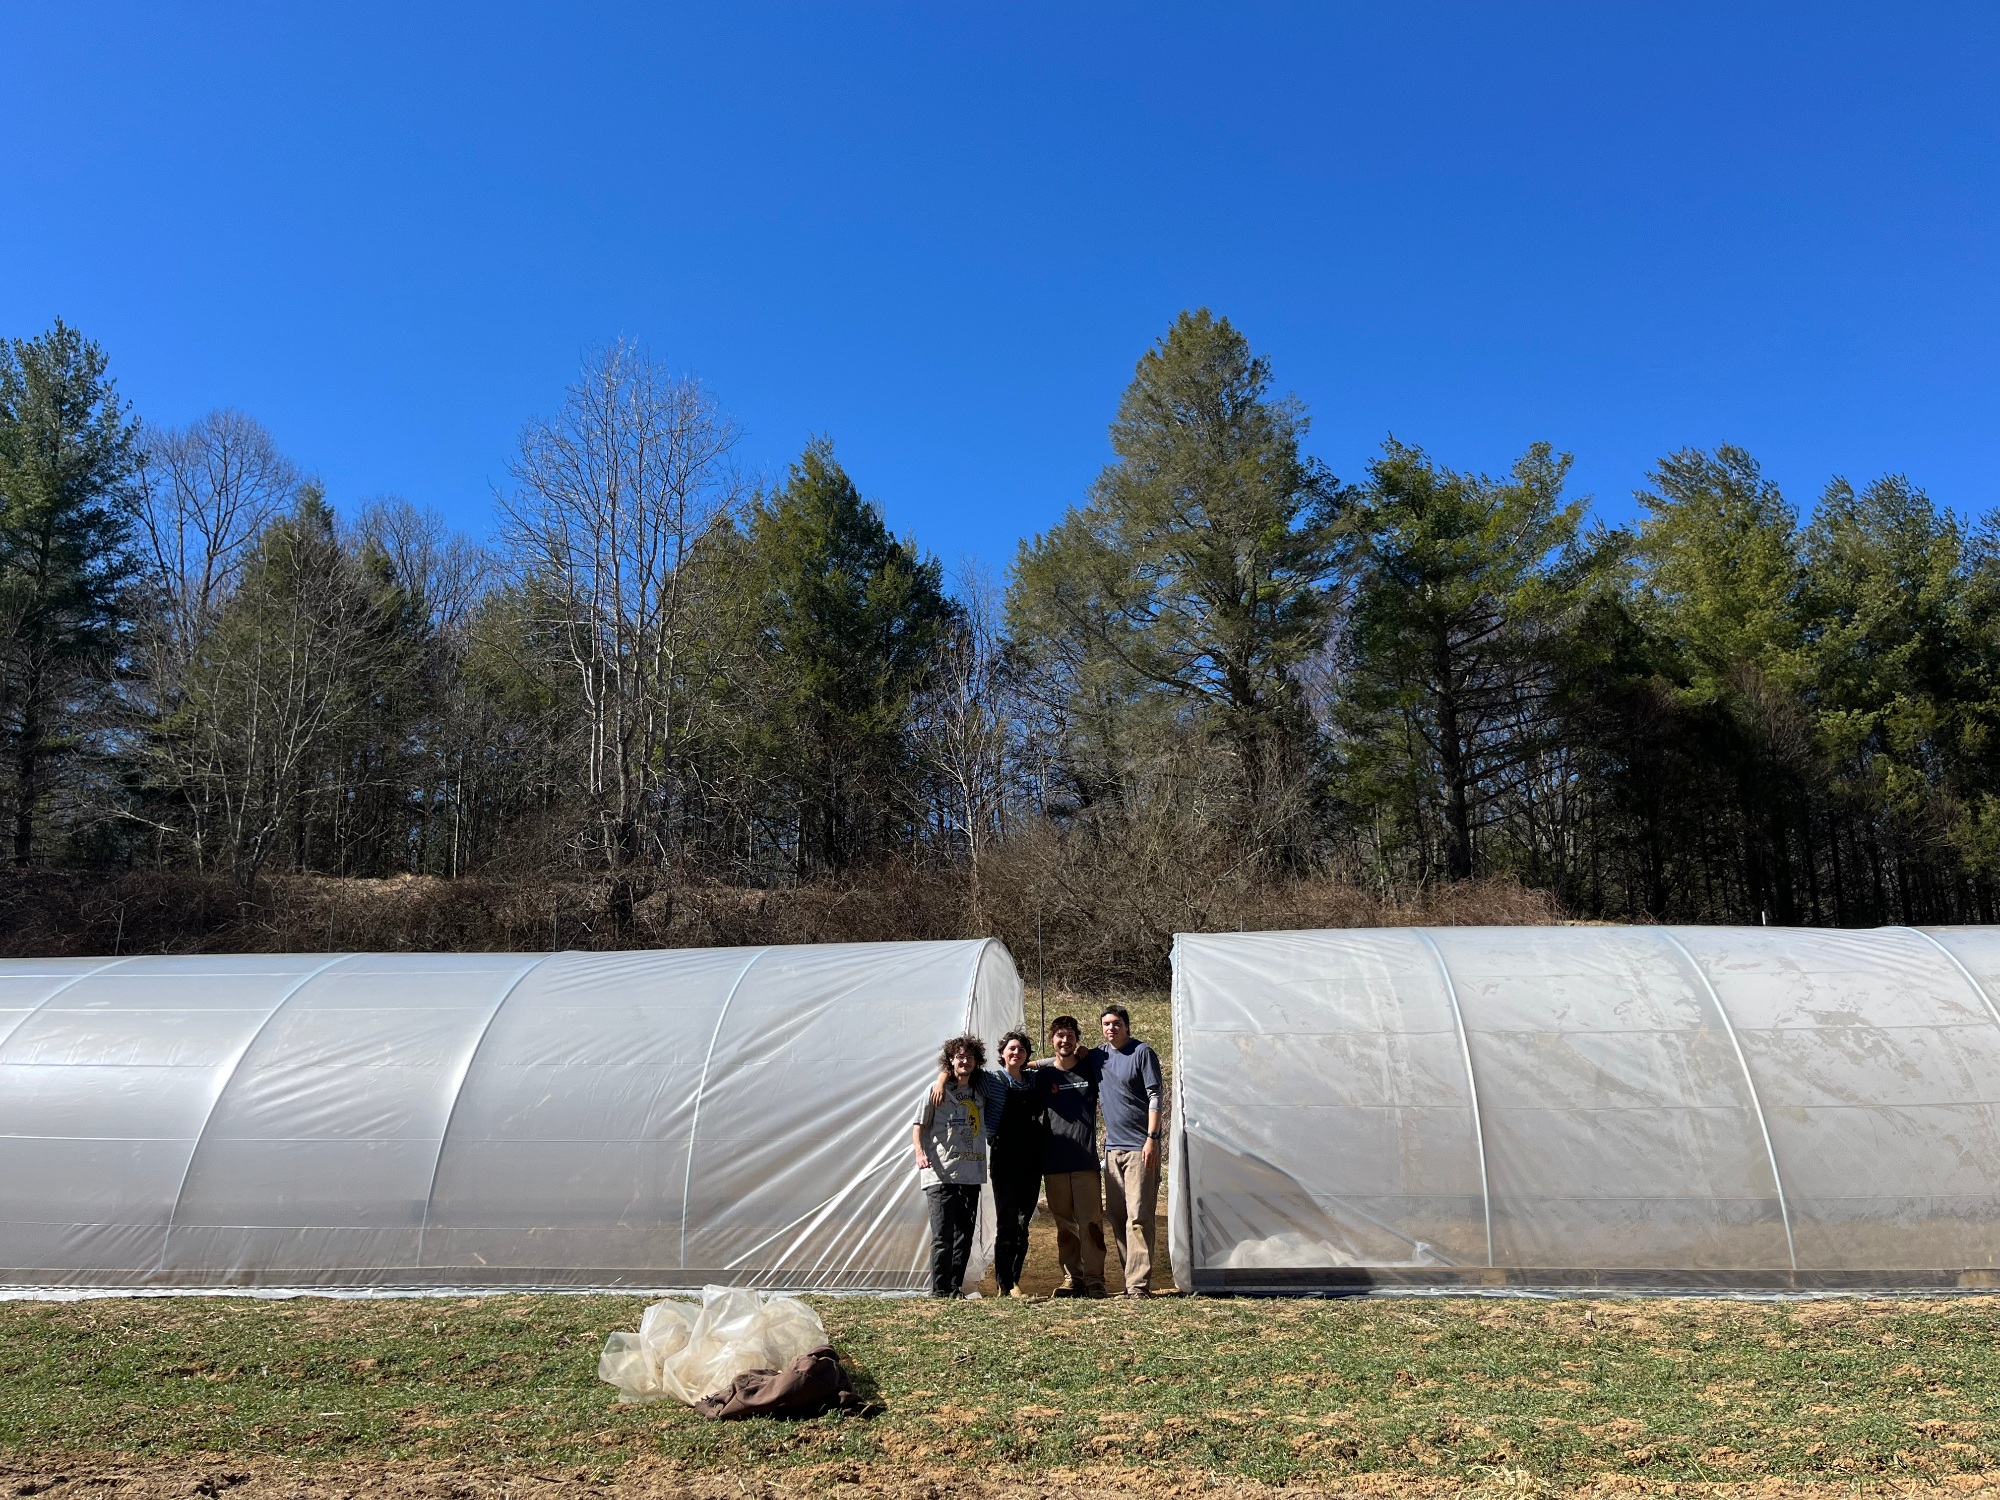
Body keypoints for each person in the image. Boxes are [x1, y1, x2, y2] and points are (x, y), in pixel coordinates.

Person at [929, 1029, 1047, 1297]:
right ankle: (1004, 1284)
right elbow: (960, 1068)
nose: (1016, 1053)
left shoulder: (1033, 1079)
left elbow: (1058, 1063)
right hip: (1004, 1155)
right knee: (1007, 1221)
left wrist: (1039, 1063)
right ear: (1002, 1054)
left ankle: (1015, 1279)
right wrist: (940, 1080)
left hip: (1031, 1157)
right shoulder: (989, 1079)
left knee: (1023, 1222)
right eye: (1011, 1049)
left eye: (1021, 1049)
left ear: (1027, 1055)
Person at [1032, 1014, 1107, 1297]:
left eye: (1070, 1035)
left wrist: (1085, 1054)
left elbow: (1106, 1053)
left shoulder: (1089, 1067)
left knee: (1090, 1222)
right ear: (1052, 1040)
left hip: (1085, 1161)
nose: (1065, 1040)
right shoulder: (1044, 1075)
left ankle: (1095, 1279)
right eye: (1059, 1035)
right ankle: (1072, 1278)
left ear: (1077, 1039)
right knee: (1064, 1224)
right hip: (1054, 1163)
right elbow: (1020, 1068)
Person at [910, 1034, 988, 1297]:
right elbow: (918, 1126)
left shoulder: (980, 1089)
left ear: (977, 1061)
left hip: (971, 1174)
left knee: (964, 1236)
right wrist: (920, 1153)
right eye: (959, 1057)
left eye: (969, 1056)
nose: (964, 1061)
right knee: (943, 1235)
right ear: (950, 1061)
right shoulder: (935, 1090)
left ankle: (954, 1288)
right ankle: (939, 1290)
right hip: (940, 1174)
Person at [1095, 1004, 1164, 1297]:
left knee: (1139, 1216)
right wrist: (1030, 1065)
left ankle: (1138, 1286)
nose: (1111, 1028)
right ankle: (1130, 1280)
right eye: (1106, 1024)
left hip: (1140, 1148)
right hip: (1113, 1150)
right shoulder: (1099, 1056)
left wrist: (1152, 1138)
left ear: (1127, 1026)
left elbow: (1155, 1095)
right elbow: (1063, 1059)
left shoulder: (1142, 1053)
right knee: (1117, 1215)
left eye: (1116, 1023)